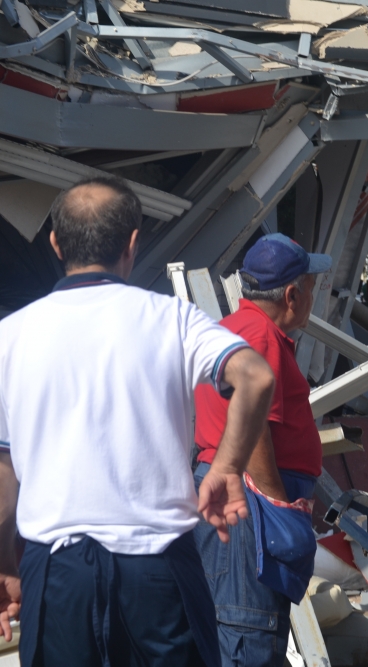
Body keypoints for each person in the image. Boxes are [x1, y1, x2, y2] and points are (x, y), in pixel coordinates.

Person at [0, 177, 276, 667]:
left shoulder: (10, 337)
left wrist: (3, 556)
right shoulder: (174, 319)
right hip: (159, 570)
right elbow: (254, 377)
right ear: (133, 243)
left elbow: (4, 467)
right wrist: (227, 468)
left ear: (56, 243)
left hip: (57, 571)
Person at [192, 233, 331, 666]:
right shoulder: (260, 336)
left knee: (233, 627)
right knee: (249, 633)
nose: (312, 295)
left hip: (233, 497)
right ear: (291, 294)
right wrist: (280, 504)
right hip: (248, 505)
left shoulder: (231, 328)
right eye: (311, 286)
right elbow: (253, 435)